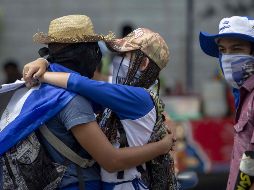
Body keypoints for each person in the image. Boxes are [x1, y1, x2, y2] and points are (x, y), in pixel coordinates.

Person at [1, 15, 174, 190]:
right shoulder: (71, 99)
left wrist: (43, 69)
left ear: (143, 63)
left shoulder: (136, 96)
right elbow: (110, 159)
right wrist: (43, 63)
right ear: (84, 53)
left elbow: (81, 84)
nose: (112, 60)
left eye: (124, 55)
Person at [199, 16, 254, 190]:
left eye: (236, 48)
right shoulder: (244, 93)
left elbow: (251, 161)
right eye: (223, 50)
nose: (228, 57)